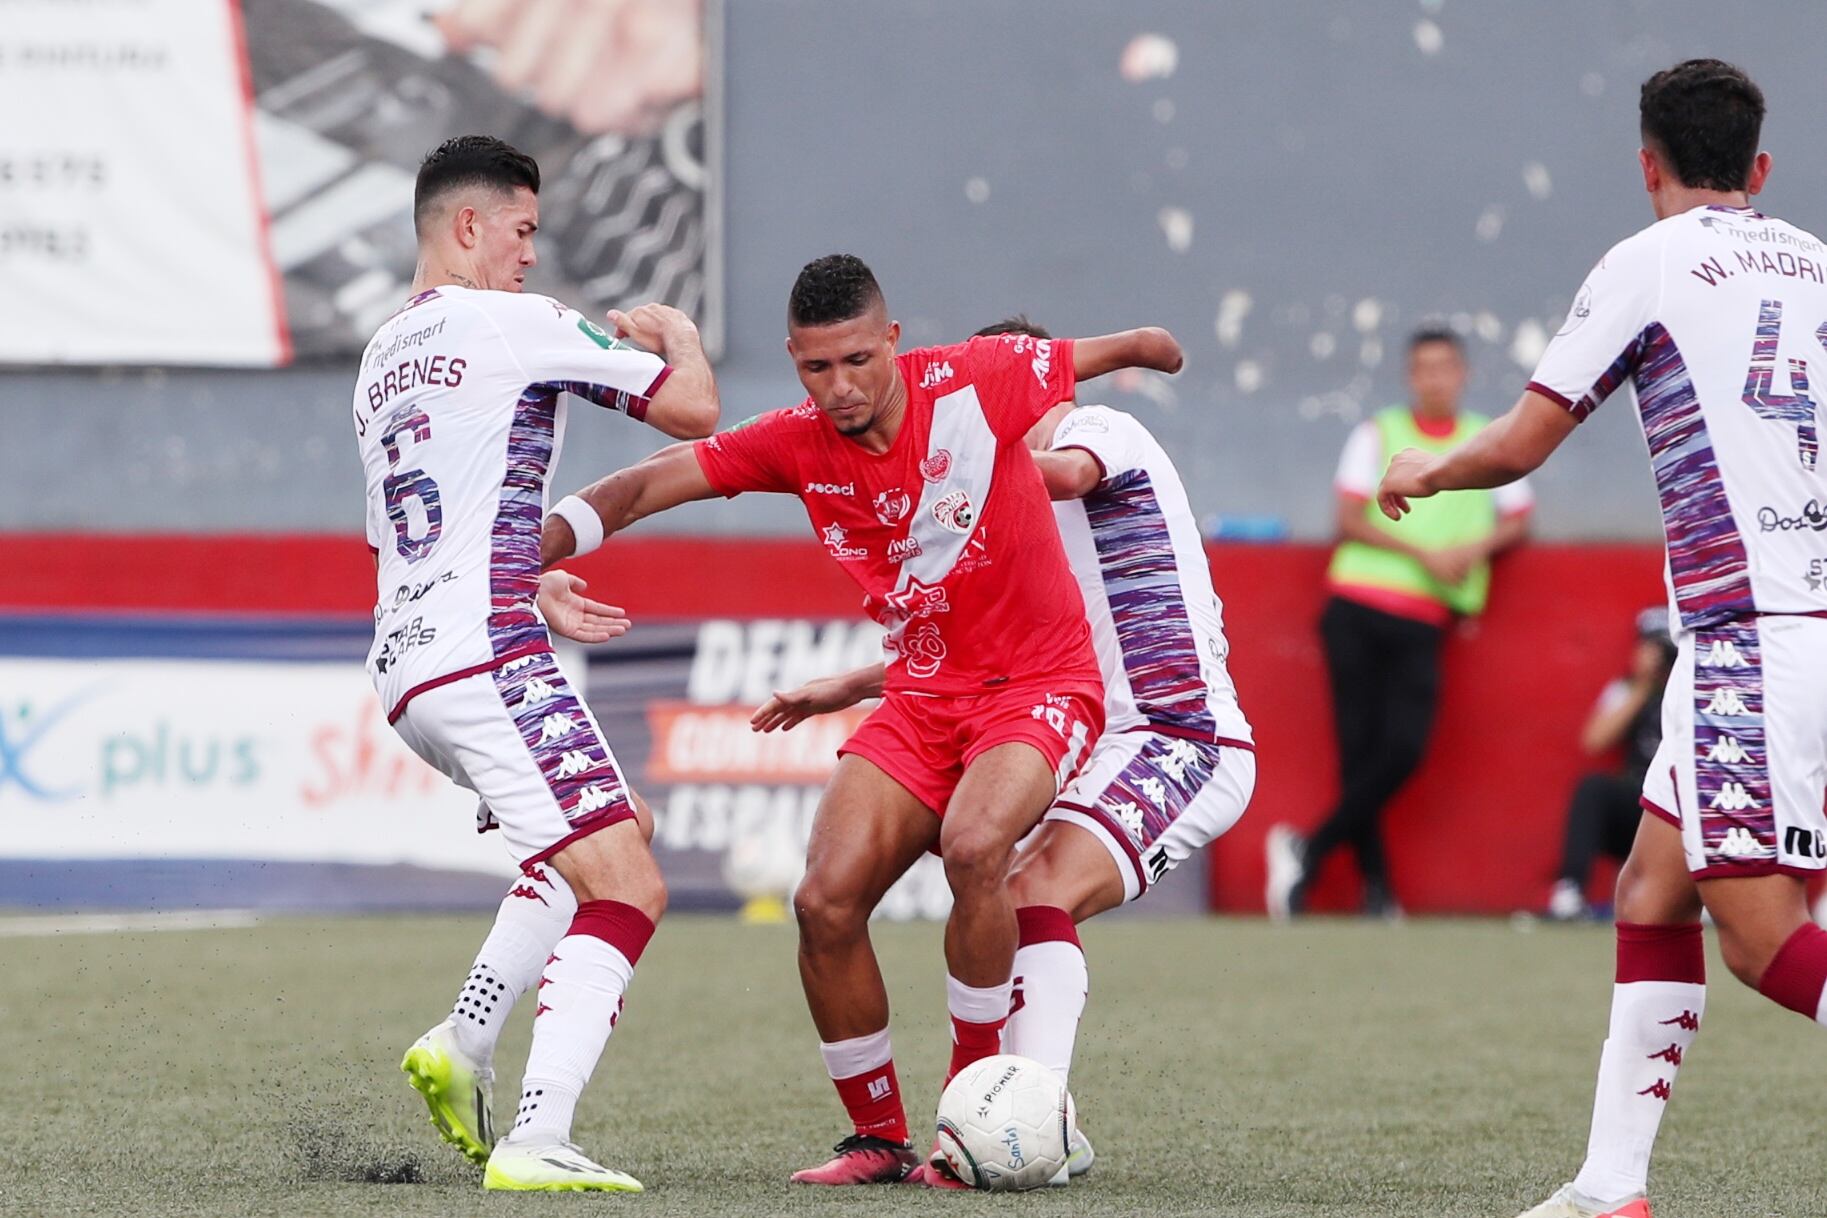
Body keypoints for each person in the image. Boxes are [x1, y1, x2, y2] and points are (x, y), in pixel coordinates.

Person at [537, 257, 1184, 1184]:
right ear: (795, 362)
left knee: (973, 849)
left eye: (853, 361)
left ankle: (965, 1114)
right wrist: (518, 555)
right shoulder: (796, 441)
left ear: (892, 340)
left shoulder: (975, 377)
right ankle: (877, 1138)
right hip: (921, 697)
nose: (837, 389)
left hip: (1038, 683)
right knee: (823, 901)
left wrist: (1153, 350)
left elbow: (1126, 348)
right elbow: (646, 484)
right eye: (813, 369)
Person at [1376, 60, 1827, 1218]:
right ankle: (1610, 1186)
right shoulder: (1818, 261)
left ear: (1647, 165)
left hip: (1751, 636)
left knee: (1763, 936)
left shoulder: (1650, 261)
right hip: (1783, 624)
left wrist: (1431, 466)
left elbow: (1526, 440)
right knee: (1651, 890)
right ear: (1761, 169)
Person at [746, 315, 1257, 1186]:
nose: (952, 415)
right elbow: (988, 639)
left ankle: (1021, 1118)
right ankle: (1027, 1118)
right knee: (995, 892)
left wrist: (951, 463)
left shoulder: (1095, 431)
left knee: (1028, 887)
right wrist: (852, 683)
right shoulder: (999, 497)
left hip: (1179, 736)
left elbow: (1065, 475)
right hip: (1092, 730)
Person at [355, 134, 719, 1192]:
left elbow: (406, 533)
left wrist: (524, 576)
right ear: (468, 227)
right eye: (521, 230)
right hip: (483, 656)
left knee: (613, 837)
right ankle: (536, 1136)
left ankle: (462, 1042)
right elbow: (691, 413)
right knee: (632, 885)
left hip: (411, 665)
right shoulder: (514, 321)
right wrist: (680, 336)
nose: (529, 254)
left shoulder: (380, 361)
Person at [1267, 327, 1535, 919]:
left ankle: (1307, 847)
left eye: (1445, 367)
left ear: (1462, 373)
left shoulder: (1487, 439)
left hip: (1426, 618)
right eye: (1423, 369)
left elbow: (1518, 516)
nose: (1435, 378)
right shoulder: (1377, 432)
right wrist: (1425, 556)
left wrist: (1476, 548)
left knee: (1403, 750)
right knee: (1358, 754)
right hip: (1356, 606)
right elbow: (1348, 517)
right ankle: (1378, 891)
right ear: (1410, 377)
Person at [1546, 608, 1678, 921]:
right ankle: (1570, 892)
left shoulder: (1697, 688)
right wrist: (1644, 687)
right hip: (1639, 804)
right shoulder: (1626, 689)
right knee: (1593, 788)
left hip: (1682, 807)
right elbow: (1594, 741)